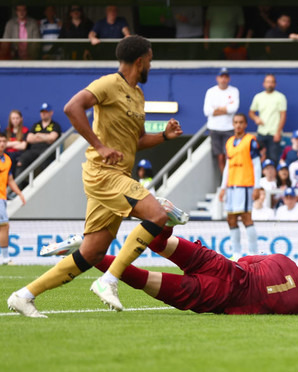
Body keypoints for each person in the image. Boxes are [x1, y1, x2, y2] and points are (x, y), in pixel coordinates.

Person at [7, 35, 185, 318]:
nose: (151, 64)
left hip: (118, 175)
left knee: (92, 253)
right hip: (103, 174)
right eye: (150, 59)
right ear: (140, 60)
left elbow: (135, 141)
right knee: (157, 216)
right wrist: (99, 145)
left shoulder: (138, 95)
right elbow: (72, 107)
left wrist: (164, 136)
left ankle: (24, 296)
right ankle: (109, 280)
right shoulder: (108, 84)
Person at [92, 226, 298, 314]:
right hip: (218, 295)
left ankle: (166, 224)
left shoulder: (282, 259)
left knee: (160, 243)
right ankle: (89, 255)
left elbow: (245, 258)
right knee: (144, 278)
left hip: (222, 266)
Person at [218, 113, 261, 259]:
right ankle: (236, 253)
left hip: (245, 184)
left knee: (246, 217)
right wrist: (223, 187)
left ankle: (253, 253)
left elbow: (256, 165)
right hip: (231, 186)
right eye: (235, 122)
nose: (238, 125)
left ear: (245, 124)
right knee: (231, 218)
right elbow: (227, 167)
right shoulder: (229, 142)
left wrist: (257, 186)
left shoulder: (251, 141)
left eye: (241, 122)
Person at [204, 67, 239, 176]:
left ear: (228, 79)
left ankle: (230, 179)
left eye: (225, 77)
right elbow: (207, 111)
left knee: (229, 155)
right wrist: (225, 109)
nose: (223, 79)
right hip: (214, 128)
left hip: (229, 128)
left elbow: (233, 109)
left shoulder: (234, 91)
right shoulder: (211, 91)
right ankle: (225, 181)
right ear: (217, 78)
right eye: (221, 77)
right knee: (219, 157)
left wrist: (216, 109)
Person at [15, 103, 62, 177]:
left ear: (51, 113)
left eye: (46, 112)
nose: (43, 114)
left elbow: (52, 138)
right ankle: (20, 186)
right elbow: (29, 139)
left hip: (47, 149)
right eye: (42, 112)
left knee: (43, 159)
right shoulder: (36, 125)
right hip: (33, 150)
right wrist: (46, 137)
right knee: (21, 161)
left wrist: (38, 135)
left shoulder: (55, 125)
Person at [249, 74, 287, 164]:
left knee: (273, 159)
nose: (270, 84)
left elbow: (283, 116)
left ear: (275, 84)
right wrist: (256, 118)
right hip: (261, 133)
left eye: (272, 82)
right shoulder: (258, 97)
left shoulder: (280, 97)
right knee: (259, 158)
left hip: (274, 134)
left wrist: (278, 132)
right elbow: (251, 112)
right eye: (268, 82)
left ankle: (272, 178)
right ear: (264, 84)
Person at [0, 132, 26, 265]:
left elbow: (10, 179)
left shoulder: (7, 159)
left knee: (4, 226)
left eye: (4, 141)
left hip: (2, 197)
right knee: (4, 226)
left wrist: (20, 193)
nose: (2, 144)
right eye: (0, 141)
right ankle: (4, 258)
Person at [5, 109, 28, 175]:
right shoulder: (7, 131)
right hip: (7, 155)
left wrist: (9, 144)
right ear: (10, 119)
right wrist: (17, 142)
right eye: (13, 118)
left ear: (21, 119)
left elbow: (23, 146)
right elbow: (3, 145)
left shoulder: (25, 130)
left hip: (18, 155)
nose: (15, 120)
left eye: (17, 118)